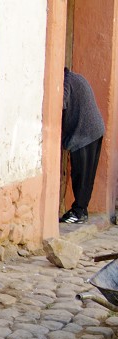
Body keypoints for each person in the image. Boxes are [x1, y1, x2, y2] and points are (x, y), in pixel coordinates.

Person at [59, 67, 105, 224]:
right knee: (87, 175)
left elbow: (61, 102)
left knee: (80, 173)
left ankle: (78, 212)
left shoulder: (65, 81)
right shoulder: (76, 77)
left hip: (84, 132)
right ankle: (82, 210)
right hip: (95, 130)